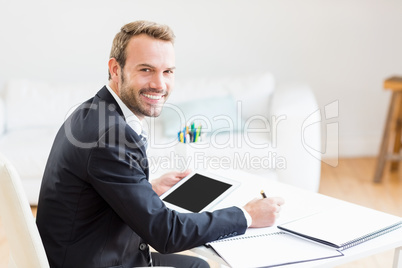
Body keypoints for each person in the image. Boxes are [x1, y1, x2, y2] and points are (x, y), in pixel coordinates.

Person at [36, 20, 285, 268]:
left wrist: (147, 188)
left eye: (168, 72)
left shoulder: (94, 110)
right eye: (146, 70)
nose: (159, 84)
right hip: (98, 261)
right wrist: (247, 215)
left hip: (88, 251)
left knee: (198, 264)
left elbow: (96, 189)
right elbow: (166, 234)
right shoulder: (110, 136)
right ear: (115, 69)